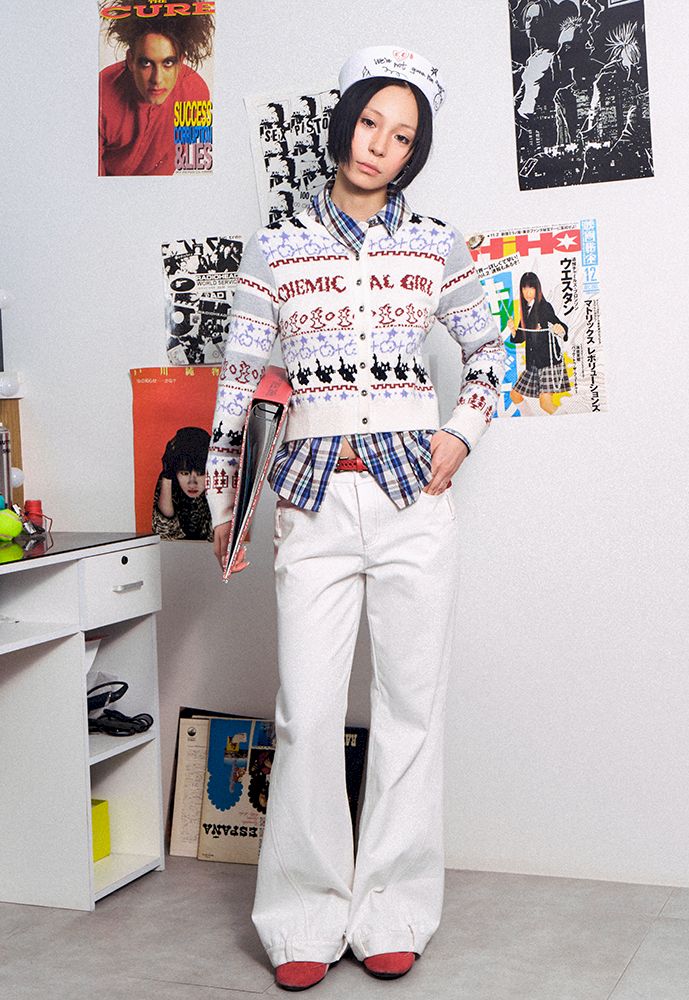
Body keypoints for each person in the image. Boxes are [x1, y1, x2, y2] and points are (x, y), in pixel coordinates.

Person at [206, 45, 504, 992]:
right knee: (305, 712)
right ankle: (302, 916)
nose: (381, 146)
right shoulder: (276, 248)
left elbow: (493, 354)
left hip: (414, 502)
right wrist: (225, 502)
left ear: (416, 152)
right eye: (371, 122)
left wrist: (459, 434)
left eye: (403, 136)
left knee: (412, 710)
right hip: (313, 503)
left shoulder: (438, 245)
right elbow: (241, 384)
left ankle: (392, 911)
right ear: (344, 123)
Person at [98, 7, 213, 176]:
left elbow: (180, 165)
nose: (157, 79)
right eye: (146, 63)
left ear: (181, 61)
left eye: (168, 63)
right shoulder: (101, 96)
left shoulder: (196, 93)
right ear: (130, 60)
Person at [508, 271, 571, 413]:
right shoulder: (526, 309)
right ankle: (529, 418)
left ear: (537, 289)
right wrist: (513, 330)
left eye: (531, 288)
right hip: (533, 363)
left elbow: (559, 325)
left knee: (545, 403)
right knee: (515, 395)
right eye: (524, 288)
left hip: (548, 362)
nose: (527, 292)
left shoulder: (544, 306)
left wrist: (560, 329)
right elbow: (521, 337)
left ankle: (567, 421)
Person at [152, 426, 212, 540]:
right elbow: (164, 534)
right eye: (184, 473)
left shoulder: (220, 482)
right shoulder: (168, 480)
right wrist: (167, 475)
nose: (192, 483)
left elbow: (219, 538)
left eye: (200, 473)